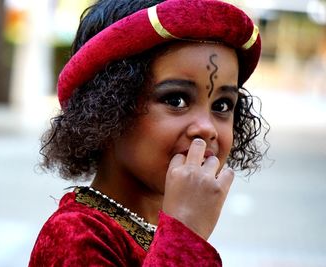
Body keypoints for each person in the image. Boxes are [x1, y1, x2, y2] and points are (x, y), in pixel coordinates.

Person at [29, 0, 268, 266]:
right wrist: (186, 232)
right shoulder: (73, 235)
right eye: (176, 100)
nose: (206, 127)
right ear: (107, 108)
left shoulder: (155, 227)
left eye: (222, 105)